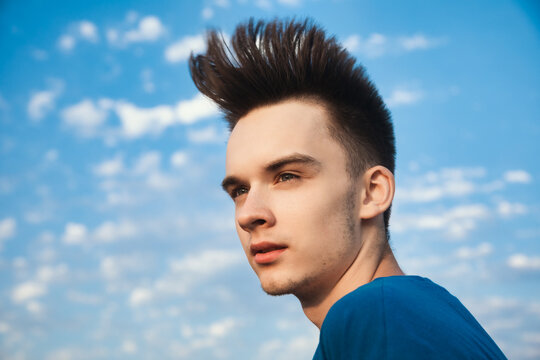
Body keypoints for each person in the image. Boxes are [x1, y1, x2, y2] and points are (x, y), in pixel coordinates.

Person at [189, 18, 507, 359]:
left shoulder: (379, 316)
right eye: (239, 191)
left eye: (287, 176)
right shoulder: (417, 317)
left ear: (372, 192)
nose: (249, 214)